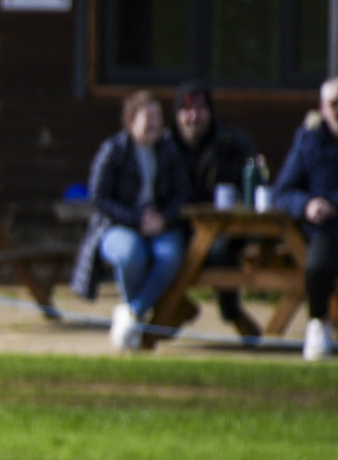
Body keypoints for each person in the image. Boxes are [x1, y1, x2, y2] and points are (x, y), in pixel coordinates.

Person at [70, 91, 191, 350]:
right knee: (131, 254)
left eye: (158, 117)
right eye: (149, 117)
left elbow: (183, 194)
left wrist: (163, 219)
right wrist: (136, 219)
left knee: (170, 255)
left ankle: (131, 313)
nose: (155, 124)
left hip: (162, 224)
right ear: (131, 121)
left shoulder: (169, 149)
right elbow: (99, 198)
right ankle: (139, 324)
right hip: (118, 225)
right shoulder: (113, 150)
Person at [172, 81, 263, 339]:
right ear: (177, 114)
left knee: (220, 251)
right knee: (162, 252)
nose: (194, 116)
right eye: (186, 110)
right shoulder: (164, 145)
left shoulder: (233, 143)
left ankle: (229, 312)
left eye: (200, 109)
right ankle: (176, 310)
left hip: (225, 231)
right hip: (175, 227)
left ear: (210, 112)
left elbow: (255, 190)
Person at [273, 77, 338, 360]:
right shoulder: (308, 141)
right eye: (335, 104)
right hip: (325, 231)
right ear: (323, 109)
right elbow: (282, 192)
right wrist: (307, 204)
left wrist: (332, 202)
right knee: (317, 266)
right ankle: (318, 325)